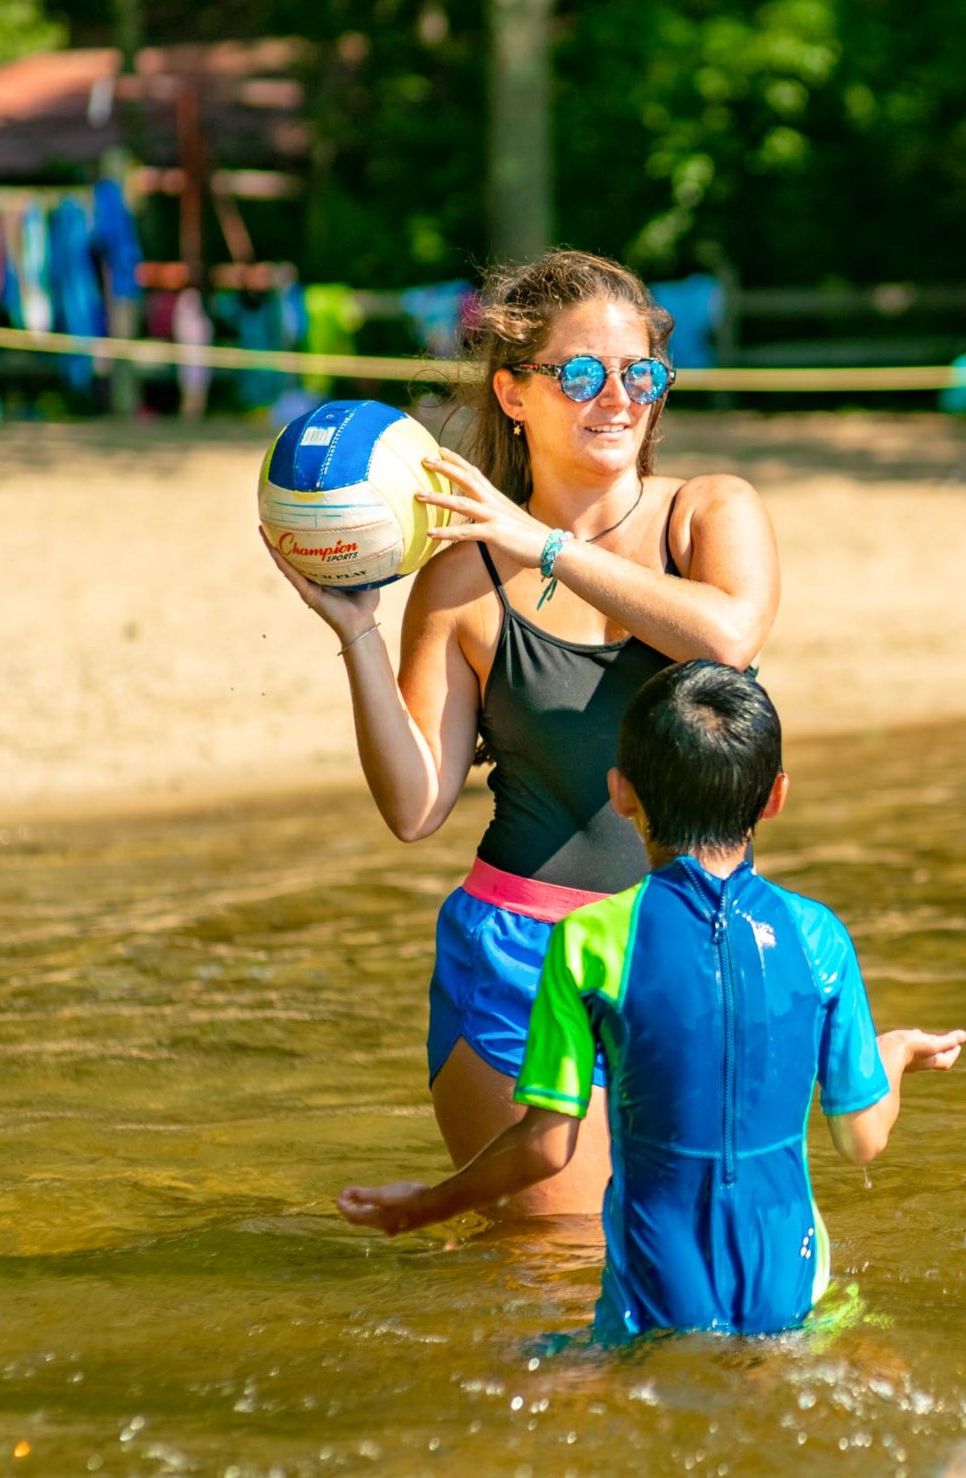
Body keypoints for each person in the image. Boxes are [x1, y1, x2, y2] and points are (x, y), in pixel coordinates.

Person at [265, 250, 781, 1216]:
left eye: (641, 375)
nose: (616, 398)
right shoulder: (461, 581)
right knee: (554, 1272)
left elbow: (729, 633)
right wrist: (359, 635)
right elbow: (416, 807)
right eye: (581, 374)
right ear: (513, 391)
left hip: (698, 950)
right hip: (520, 961)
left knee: (708, 1287)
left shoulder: (711, 512)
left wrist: (544, 543)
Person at [336, 661, 966, 1337]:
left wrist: (425, 1206)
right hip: (790, 1288)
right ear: (776, 796)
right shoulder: (818, 938)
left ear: (622, 793)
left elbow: (545, 1151)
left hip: (653, 1293)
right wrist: (891, 1054)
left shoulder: (589, 943)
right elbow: (862, 1138)